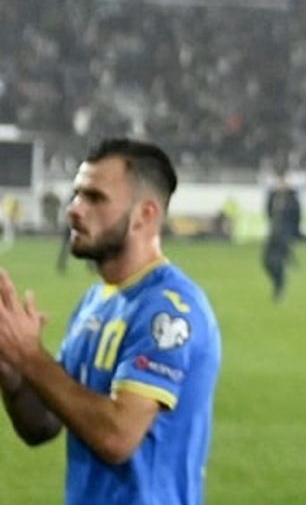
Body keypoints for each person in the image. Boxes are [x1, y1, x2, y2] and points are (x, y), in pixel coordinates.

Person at [0, 138, 222, 505]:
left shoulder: (168, 311)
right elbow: (42, 425)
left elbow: (116, 437)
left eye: (94, 198)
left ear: (145, 214)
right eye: (76, 194)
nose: (74, 209)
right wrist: (12, 372)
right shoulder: (97, 301)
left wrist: (30, 356)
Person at [264, 169, 301, 302]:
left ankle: (279, 287)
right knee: (266, 261)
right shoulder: (273, 196)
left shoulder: (292, 198)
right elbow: (268, 210)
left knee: (276, 261)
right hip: (274, 231)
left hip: (286, 233)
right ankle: (289, 259)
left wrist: (295, 234)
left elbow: (297, 216)